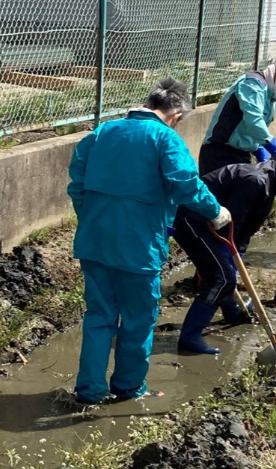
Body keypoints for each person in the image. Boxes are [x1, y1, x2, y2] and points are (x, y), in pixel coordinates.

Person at [67, 78, 228, 404]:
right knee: (138, 321)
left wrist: (93, 219)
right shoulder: (165, 139)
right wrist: (216, 211)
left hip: (95, 242)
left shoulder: (102, 133)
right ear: (177, 115)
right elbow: (185, 183)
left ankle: (90, 393)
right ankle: (128, 388)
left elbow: (77, 184)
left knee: (99, 317)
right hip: (139, 248)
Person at [173, 154, 276, 355]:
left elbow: (246, 227)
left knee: (226, 273)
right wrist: (229, 254)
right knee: (221, 278)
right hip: (192, 220)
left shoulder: (271, 181)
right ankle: (189, 338)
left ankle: (233, 312)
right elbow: (232, 222)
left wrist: (238, 253)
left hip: (213, 224)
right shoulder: (256, 181)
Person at [198, 57, 276, 176]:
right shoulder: (251, 85)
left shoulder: (269, 96)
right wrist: (270, 144)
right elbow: (253, 120)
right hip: (219, 152)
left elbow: (250, 128)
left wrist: (257, 148)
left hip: (241, 154)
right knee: (215, 194)